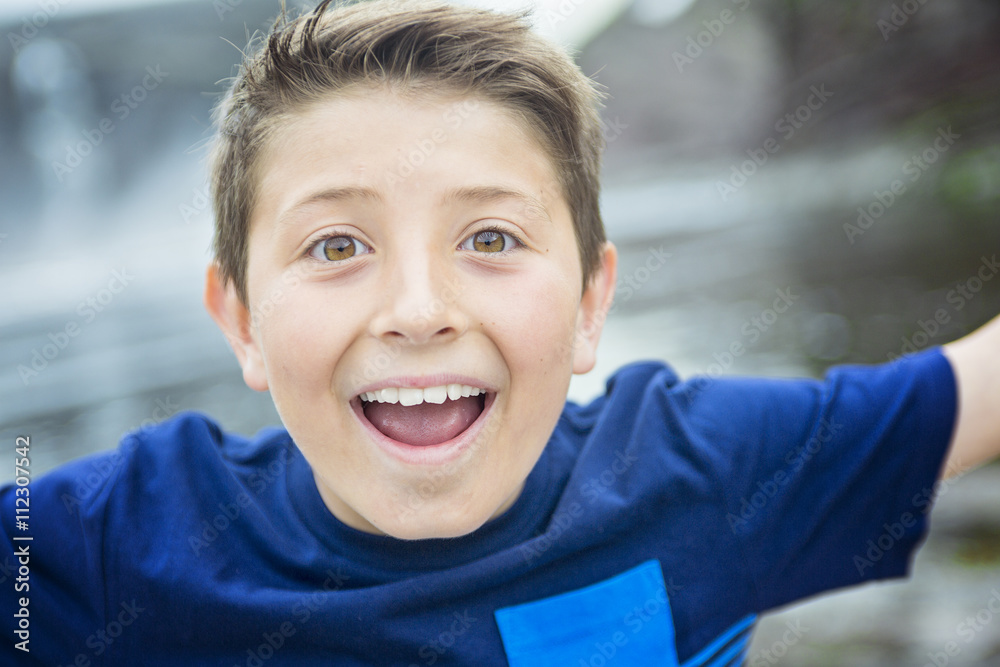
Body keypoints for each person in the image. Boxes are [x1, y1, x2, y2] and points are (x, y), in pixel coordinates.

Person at [3, 1, 998, 665]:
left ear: (587, 305)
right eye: (337, 244)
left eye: (489, 236)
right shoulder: (113, 542)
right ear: (242, 321)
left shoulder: (705, 471)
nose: (419, 308)